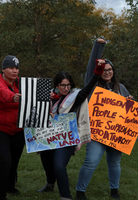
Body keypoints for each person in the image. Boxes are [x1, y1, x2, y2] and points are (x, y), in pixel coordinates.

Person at [37, 58, 106, 200]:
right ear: (57, 85)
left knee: (59, 166)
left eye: (68, 85)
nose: (66, 88)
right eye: (63, 85)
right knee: (48, 164)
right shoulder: (48, 96)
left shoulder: (76, 96)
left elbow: (90, 85)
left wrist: (98, 70)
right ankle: (50, 185)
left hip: (66, 138)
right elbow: (35, 111)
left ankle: (66, 196)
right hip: (47, 136)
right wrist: (45, 103)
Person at [75, 38, 133, 200]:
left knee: (114, 163)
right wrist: (98, 46)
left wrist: (130, 102)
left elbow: (129, 112)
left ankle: (114, 191)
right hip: (97, 134)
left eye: (110, 69)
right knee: (91, 162)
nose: (107, 72)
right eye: (104, 69)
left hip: (116, 134)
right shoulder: (92, 86)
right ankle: (80, 192)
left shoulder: (120, 88)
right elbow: (90, 70)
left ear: (113, 71)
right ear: (99, 72)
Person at [0, 55, 24, 200]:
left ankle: (10, 185)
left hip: (18, 129)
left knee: (14, 161)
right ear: (3, 69)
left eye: (17, 68)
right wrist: (13, 96)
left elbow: (33, 94)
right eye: (11, 68)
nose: (15, 71)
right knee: (5, 160)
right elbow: (0, 92)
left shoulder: (22, 83)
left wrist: (48, 96)